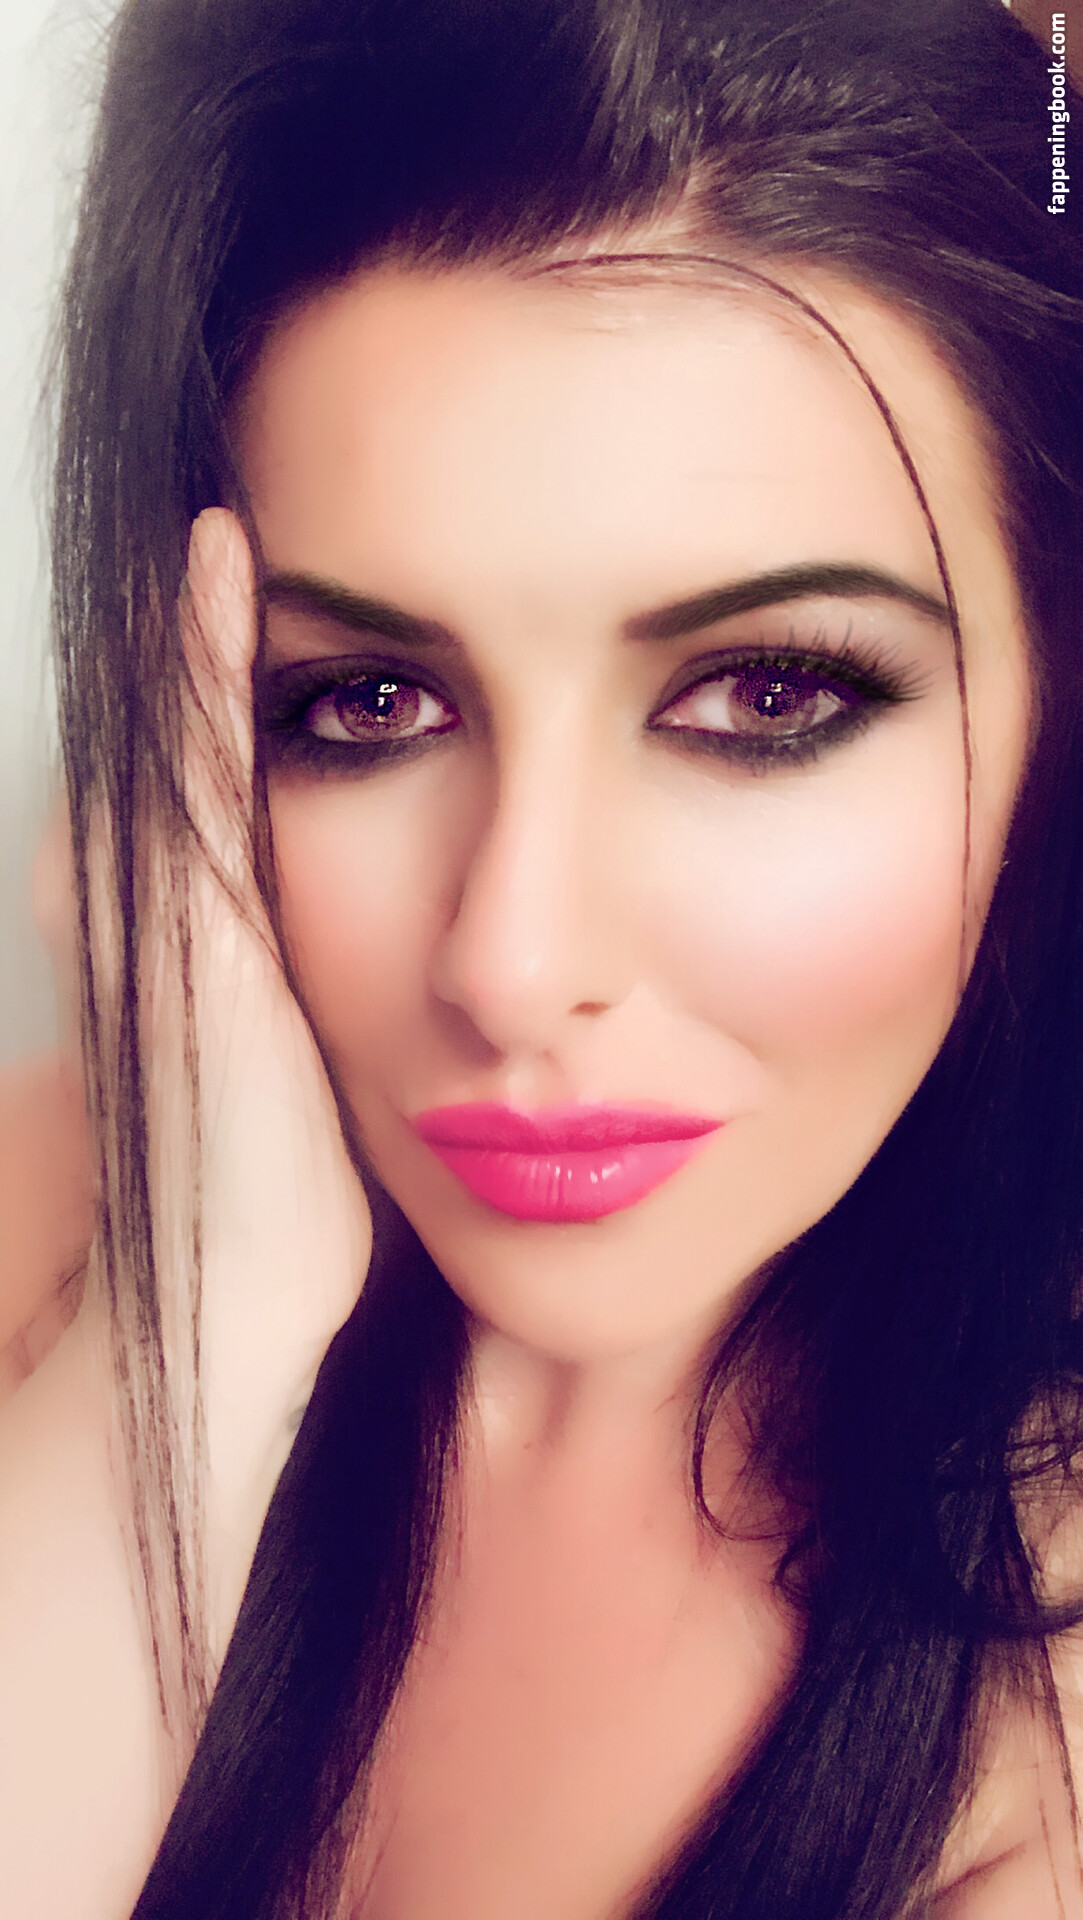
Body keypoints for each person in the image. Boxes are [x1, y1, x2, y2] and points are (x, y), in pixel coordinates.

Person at [2, 0, 1083, 1913]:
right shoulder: (49, 1222)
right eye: (365, 702)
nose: (512, 962)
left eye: (769, 694)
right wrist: (190, 1340)